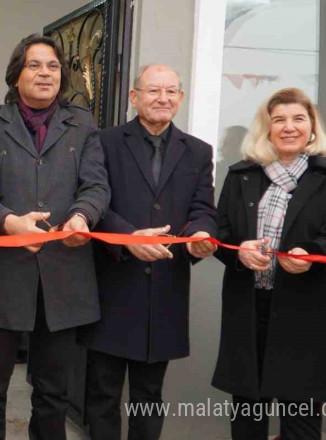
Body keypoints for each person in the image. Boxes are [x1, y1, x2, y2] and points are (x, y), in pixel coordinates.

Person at [0, 33, 111, 440]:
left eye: (53, 65)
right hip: (6, 271)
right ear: (17, 75)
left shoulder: (82, 124)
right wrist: (8, 222)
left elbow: (96, 186)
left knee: (53, 391)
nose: (45, 73)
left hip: (65, 273)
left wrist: (83, 216)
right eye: (35, 65)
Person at [80, 64, 217, 440]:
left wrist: (201, 234)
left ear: (181, 98)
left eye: (171, 91)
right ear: (134, 97)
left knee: (149, 394)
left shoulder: (198, 152)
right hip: (112, 284)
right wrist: (128, 237)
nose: (163, 98)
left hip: (165, 288)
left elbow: (203, 208)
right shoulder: (103, 142)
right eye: (154, 91)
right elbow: (93, 202)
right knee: (102, 391)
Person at [212, 88, 326, 440]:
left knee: (301, 420)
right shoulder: (241, 174)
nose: (289, 127)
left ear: (312, 126)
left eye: (298, 119)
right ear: (267, 128)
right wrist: (238, 252)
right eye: (279, 120)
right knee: (247, 416)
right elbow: (221, 234)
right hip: (249, 309)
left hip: (306, 313)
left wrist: (310, 255)